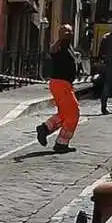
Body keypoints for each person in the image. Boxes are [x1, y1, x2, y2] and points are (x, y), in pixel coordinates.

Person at [35, 25, 80, 153]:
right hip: (61, 84)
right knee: (74, 113)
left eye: (70, 32)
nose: (69, 34)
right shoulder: (59, 45)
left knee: (65, 114)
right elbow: (52, 51)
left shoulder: (68, 47)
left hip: (64, 85)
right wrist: (60, 38)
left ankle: (45, 128)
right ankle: (61, 143)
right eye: (66, 32)